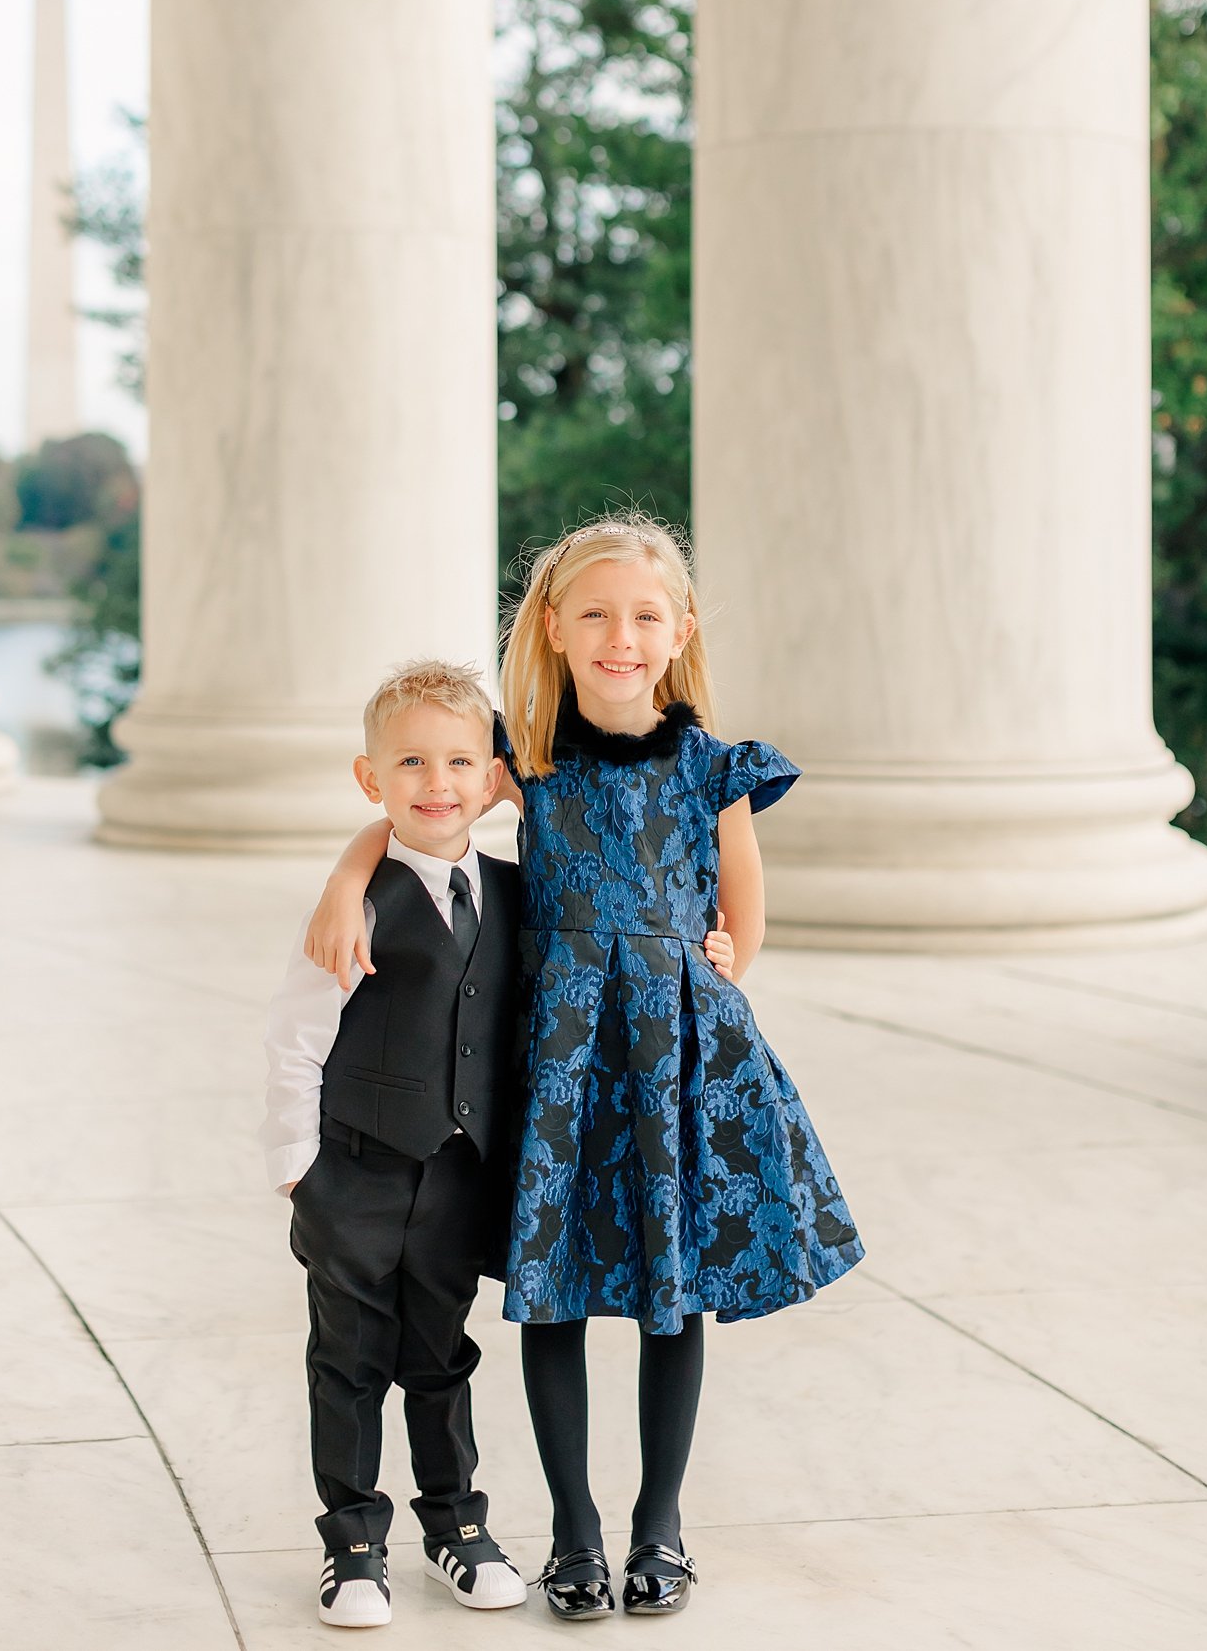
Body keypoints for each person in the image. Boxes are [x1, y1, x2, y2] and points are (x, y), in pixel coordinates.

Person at [304, 516, 862, 1621]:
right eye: (596, 614)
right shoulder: (528, 757)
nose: (621, 636)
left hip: (671, 1056)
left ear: (680, 630)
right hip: (559, 1058)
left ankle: (662, 1523)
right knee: (551, 1291)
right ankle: (575, 1526)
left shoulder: (713, 767)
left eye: (645, 616)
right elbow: (425, 810)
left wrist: (712, 957)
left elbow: (742, 916)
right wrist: (343, 874)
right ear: (553, 627)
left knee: (671, 1292)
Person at [259, 660, 529, 1628]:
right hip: (356, 1172)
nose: (437, 781)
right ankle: (354, 1543)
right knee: (348, 1359)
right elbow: (300, 1035)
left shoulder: (515, 891)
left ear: (496, 776)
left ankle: (458, 1527)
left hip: (460, 1177)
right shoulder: (357, 899)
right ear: (371, 779)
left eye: (461, 760)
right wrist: (300, 1169)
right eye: (410, 761)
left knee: (440, 1354)